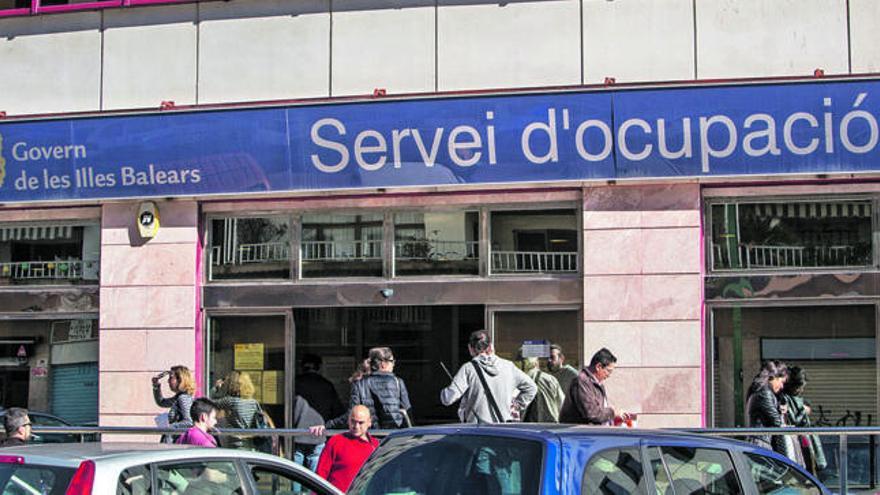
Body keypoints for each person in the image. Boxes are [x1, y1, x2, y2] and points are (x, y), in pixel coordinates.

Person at [440, 330, 537, 423]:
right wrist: (517, 405)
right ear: (491, 347)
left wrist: (444, 393)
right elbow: (532, 387)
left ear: (470, 348)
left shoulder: (468, 369)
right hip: (505, 428)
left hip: (478, 429)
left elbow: (448, 398)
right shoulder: (508, 366)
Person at [315, 405, 379, 492]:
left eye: (361, 423)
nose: (356, 426)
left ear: (369, 422)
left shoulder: (375, 446)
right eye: (353, 421)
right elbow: (321, 475)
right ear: (348, 420)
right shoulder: (335, 441)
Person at [559, 348, 628, 425]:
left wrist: (613, 418)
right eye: (608, 371)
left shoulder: (597, 384)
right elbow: (591, 413)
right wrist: (613, 412)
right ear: (598, 367)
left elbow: (600, 412)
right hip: (579, 434)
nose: (609, 375)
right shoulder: (581, 381)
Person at [351, 347, 412, 428]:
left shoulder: (360, 384)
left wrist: (331, 424)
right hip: (393, 435)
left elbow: (352, 413)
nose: (393, 364)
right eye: (392, 361)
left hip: (371, 434)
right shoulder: (398, 382)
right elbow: (407, 412)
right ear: (383, 364)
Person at [781, 366, 826, 473]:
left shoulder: (795, 398)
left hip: (804, 439)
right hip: (797, 440)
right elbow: (794, 420)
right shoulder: (784, 398)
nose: (802, 390)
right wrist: (803, 410)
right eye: (801, 386)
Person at [746, 360, 789, 455]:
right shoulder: (764, 393)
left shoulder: (761, 391)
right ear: (774, 377)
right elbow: (776, 421)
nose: (782, 386)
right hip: (760, 443)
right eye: (782, 382)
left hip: (760, 441)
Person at [212, 371, 261, 449]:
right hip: (251, 443)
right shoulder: (254, 402)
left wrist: (216, 388)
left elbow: (208, 402)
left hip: (235, 443)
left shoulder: (231, 401)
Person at [296, 354, 345, 424]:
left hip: (297, 429)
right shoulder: (327, 385)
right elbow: (338, 411)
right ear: (319, 367)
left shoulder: (295, 383)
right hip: (321, 429)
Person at [152, 365, 195, 443]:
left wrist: (171, 426)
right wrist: (156, 386)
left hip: (177, 443)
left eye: (171, 378)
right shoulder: (179, 397)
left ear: (180, 380)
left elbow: (189, 422)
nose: (168, 381)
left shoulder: (183, 398)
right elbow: (161, 402)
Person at [521, 356, 565, 423]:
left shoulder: (520, 381)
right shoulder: (550, 379)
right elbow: (562, 404)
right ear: (536, 364)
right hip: (550, 424)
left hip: (527, 427)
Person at [291, 394, 326, 471]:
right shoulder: (326, 387)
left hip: (298, 434)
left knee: (295, 475)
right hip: (318, 435)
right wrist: (326, 425)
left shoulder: (296, 387)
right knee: (315, 479)